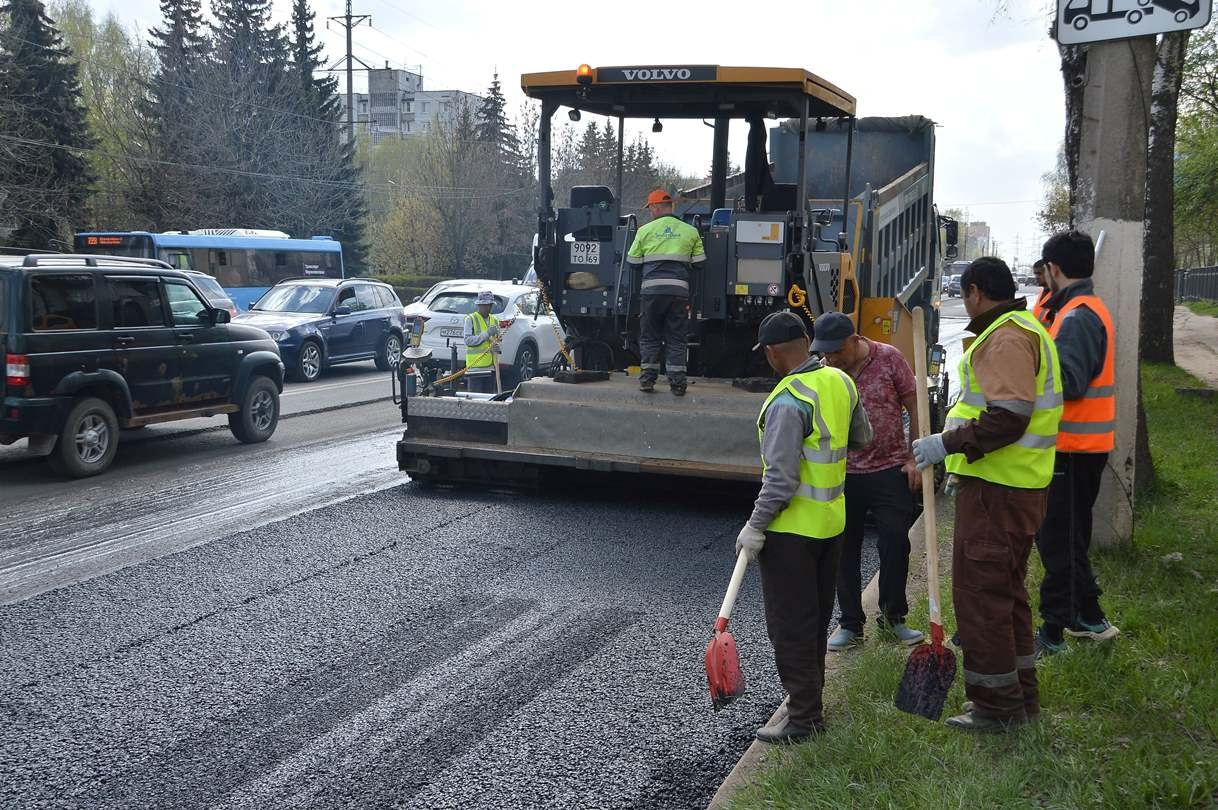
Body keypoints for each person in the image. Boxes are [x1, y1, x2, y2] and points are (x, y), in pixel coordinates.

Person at [911, 257, 1062, 733]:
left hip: (1000, 492)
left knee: (982, 599)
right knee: (1006, 595)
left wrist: (945, 444)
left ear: (974, 291)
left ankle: (997, 710)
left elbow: (1009, 418)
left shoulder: (1007, 337)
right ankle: (1020, 701)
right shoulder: (1020, 329)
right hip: (1011, 487)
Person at [735, 311, 873, 743]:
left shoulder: (787, 400)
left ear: (773, 353)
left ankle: (804, 719)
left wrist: (754, 527)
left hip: (791, 534)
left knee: (791, 627)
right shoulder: (840, 382)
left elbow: (781, 479)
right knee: (813, 622)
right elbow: (863, 437)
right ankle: (809, 702)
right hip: (832, 526)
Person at [815, 312, 925, 650]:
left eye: (836, 351)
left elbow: (914, 404)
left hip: (889, 468)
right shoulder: (826, 369)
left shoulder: (889, 358)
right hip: (842, 472)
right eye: (826, 352)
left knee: (895, 539)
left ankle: (893, 619)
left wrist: (914, 457)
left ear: (854, 339)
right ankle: (850, 625)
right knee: (843, 548)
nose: (830, 358)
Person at [1034, 230, 1120, 657]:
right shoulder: (1071, 310)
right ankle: (1089, 615)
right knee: (1067, 536)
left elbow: (1068, 381)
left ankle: (1053, 631)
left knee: (1058, 541)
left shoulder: (1079, 316)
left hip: (1073, 448)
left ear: (1053, 269)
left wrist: (1027, 375)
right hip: (1077, 447)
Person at [626, 188, 707, 396]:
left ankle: (647, 381)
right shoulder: (690, 231)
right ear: (670, 206)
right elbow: (699, 263)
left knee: (650, 336)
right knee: (677, 338)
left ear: (655, 207)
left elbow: (632, 262)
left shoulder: (644, 231)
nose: (650, 212)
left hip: (651, 293)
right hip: (678, 293)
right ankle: (678, 384)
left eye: (650, 208)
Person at [463, 291, 500, 395]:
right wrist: (487, 334)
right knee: (475, 398)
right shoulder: (470, 319)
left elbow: (497, 339)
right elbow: (468, 340)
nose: (487, 308)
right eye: (484, 305)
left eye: (489, 305)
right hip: (476, 369)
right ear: (479, 305)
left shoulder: (495, 320)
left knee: (489, 398)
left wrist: (497, 347)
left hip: (491, 367)